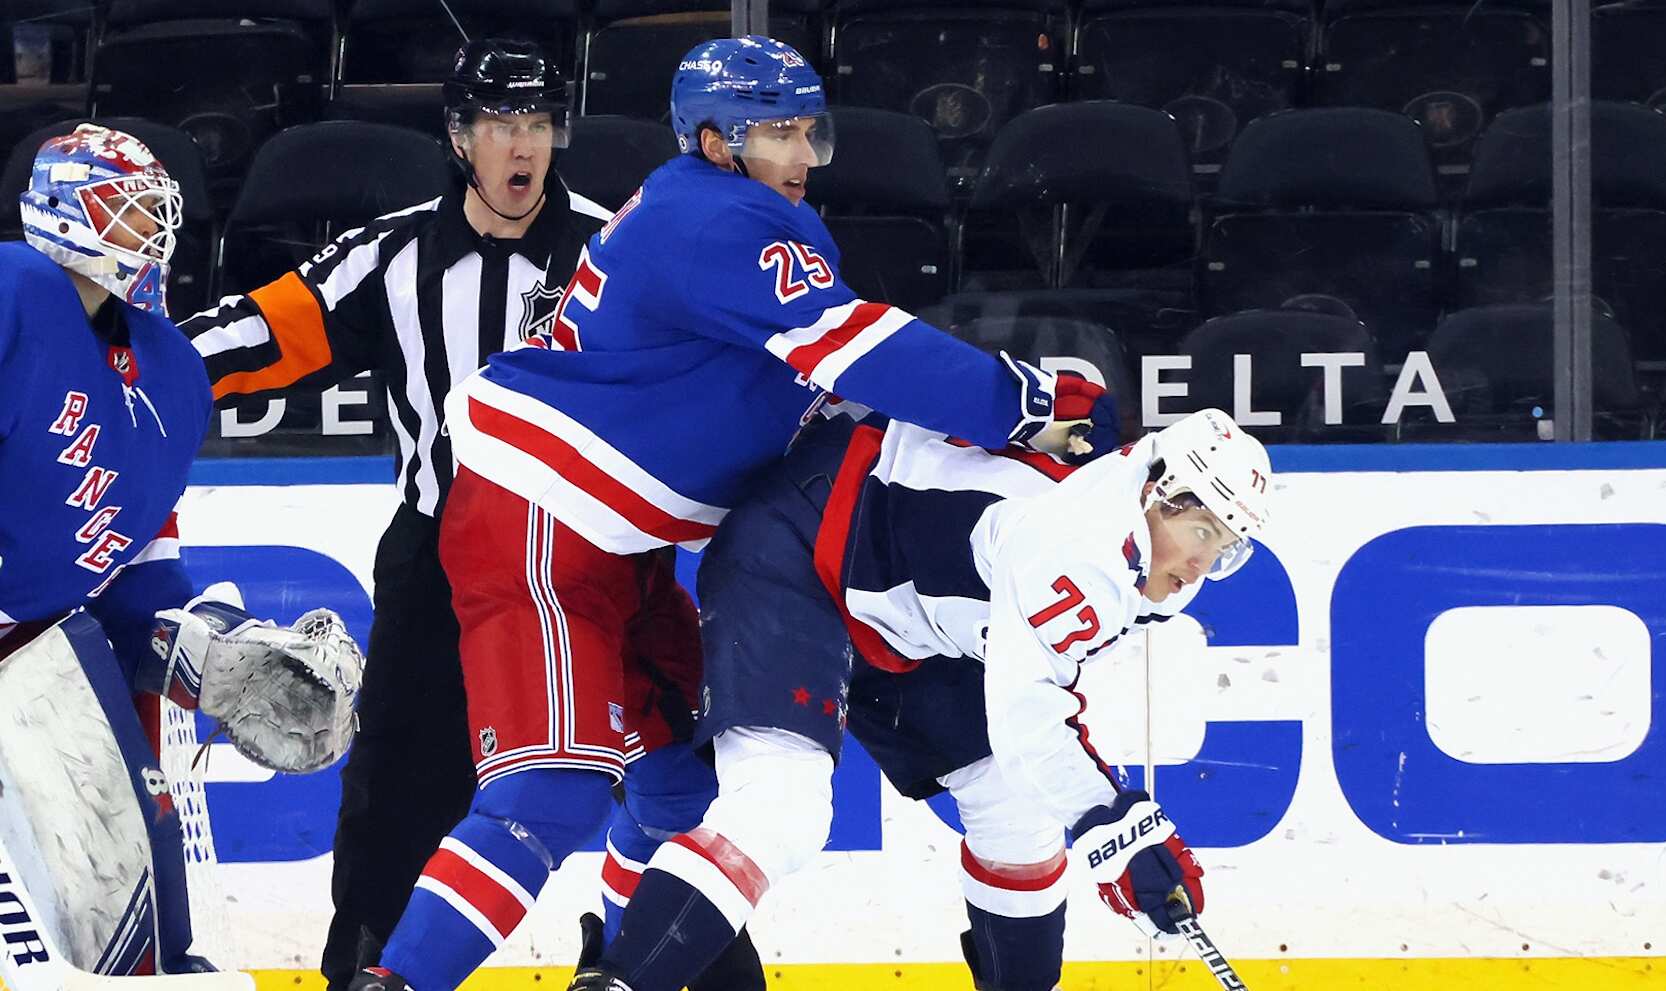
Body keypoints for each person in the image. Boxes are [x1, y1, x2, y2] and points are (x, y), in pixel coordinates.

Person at [353, 33, 1116, 991]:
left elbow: (828, 381)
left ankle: (616, 970)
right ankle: (398, 982)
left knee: (682, 781)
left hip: (613, 541)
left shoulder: (730, 214)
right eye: (778, 134)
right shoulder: (716, 220)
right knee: (551, 791)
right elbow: (858, 349)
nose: (803, 156)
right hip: (538, 518)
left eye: (810, 133)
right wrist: (1025, 402)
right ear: (716, 142)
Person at [177, 38, 772, 991]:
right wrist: (133, 368)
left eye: (537, 123)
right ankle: (370, 970)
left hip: (606, 559)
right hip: (441, 566)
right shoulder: (390, 256)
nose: (522, 144)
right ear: (460, 138)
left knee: (670, 785)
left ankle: (688, 969)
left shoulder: (618, 247)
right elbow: (261, 332)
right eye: (501, 124)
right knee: (396, 801)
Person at [569, 407, 1270, 991]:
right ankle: (620, 983)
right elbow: (1029, 715)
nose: (1202, 565)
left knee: (1016, 808)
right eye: (1201, 532)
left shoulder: (1136, 537)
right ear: (1157, 493)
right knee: (780, 808)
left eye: (1226, 546)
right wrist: (1115, 827)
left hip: (910, 610)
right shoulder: (1082, 549)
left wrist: (1111, 823)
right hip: (804, 546)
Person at [0, 123, 362, 983]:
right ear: (62, 211)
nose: (153, 228)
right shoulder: (13, 289)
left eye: (153, 209)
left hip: (38, 665)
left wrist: (222, 655)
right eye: (125, 207)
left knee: (138, 875)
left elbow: (139, 570)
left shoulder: (171, 374)